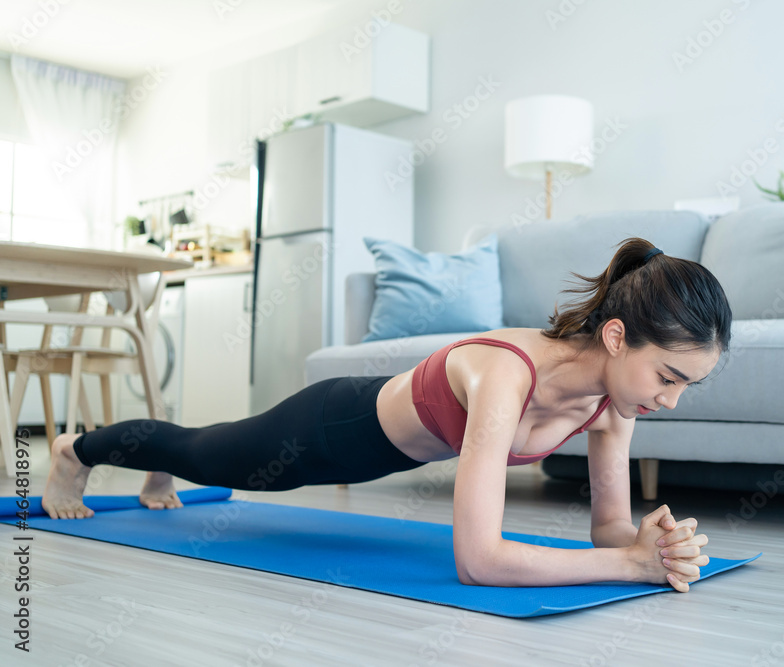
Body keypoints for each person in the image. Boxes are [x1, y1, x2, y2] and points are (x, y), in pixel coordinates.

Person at [41, 237, 732, 591]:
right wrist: (630, 567)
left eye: (687, 386)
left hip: (384, 448)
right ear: (617, 337)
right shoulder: (508, 372)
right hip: (332, 428)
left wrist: (651, 542)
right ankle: (77, 449)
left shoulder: (614, 404)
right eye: (668, 376)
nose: (669, 399)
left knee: (199, 451)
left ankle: (160, 462)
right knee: (205, 450)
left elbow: (609, 527)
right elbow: (478, 559)